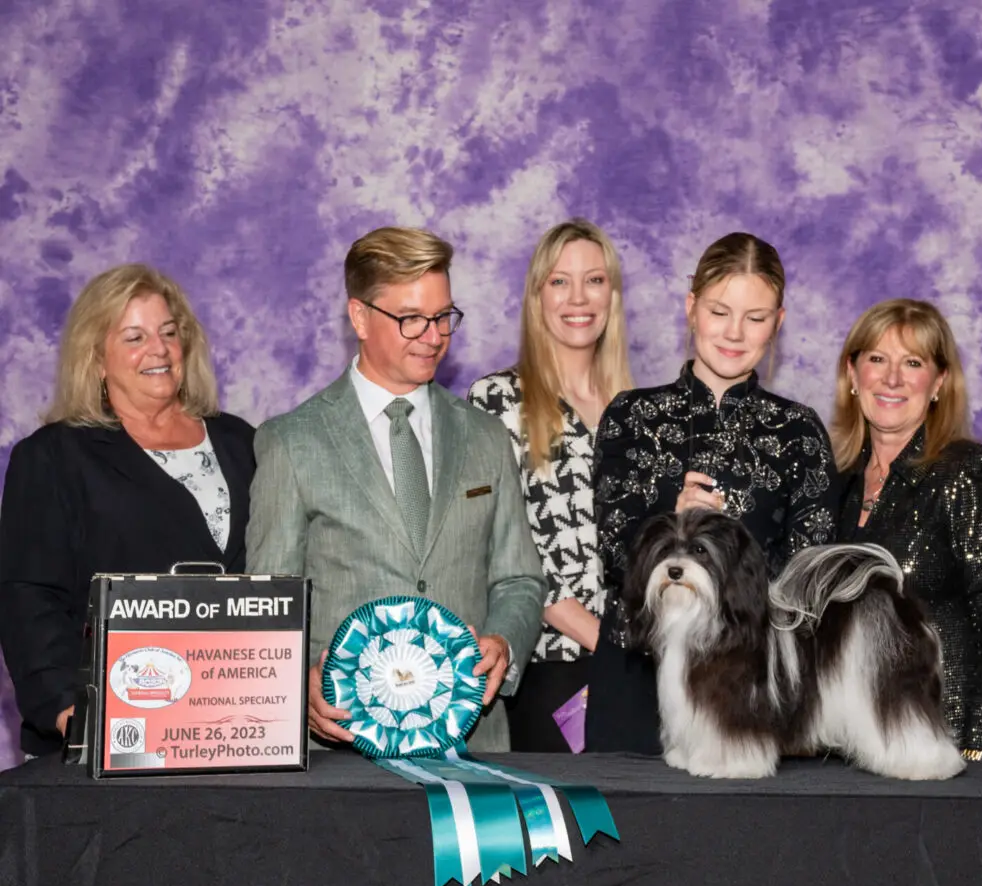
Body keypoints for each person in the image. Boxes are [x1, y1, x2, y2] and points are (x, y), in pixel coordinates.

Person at [246, 227, 545, 751]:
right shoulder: (289, 442)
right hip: (339, 753)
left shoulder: (487, 436)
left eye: (444, 316)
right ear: (359, 317)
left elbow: (519, 579)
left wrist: (502, 641)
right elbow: (268, 606)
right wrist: (295, 688)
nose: (433, 336)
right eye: (411, 318)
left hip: (471, 747)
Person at [588, 232, 839, 754]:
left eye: (756, 317)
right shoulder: (631, 417)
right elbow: (615, 555)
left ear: (779, 322)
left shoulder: (799, 429)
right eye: (720, 311)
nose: (734, 332)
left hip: (751, 685)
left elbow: (809, 575)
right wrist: (670, 523)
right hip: (637, 675)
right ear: (691, 308)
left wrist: (732, 556)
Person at [0, 264, 255, 758]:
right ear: (97, 358)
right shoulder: (53, 456)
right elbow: (28, 597)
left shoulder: (241, 440)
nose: (157, 350)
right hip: (112, 733)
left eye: (168, 332)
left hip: (234, 724)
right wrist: (66, 708)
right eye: (134, 337)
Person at [831, 299, 982, 760]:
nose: (892, 378)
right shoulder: (835, 483)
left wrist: (976, 745)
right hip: (851, 748)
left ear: (939, 381)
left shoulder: (971, 473)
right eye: (877, 359)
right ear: (852, 374)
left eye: (913, 362)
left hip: (944, 740)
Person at [468, 220, 633, 751]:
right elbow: (504, 550)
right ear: (537, 296)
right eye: (559, 281)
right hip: (550, 669)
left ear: (613, 293)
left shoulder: (641, 409)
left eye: (595, 280)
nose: (578, 298)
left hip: (641, 668)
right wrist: (607, 647)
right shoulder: (495, 402)